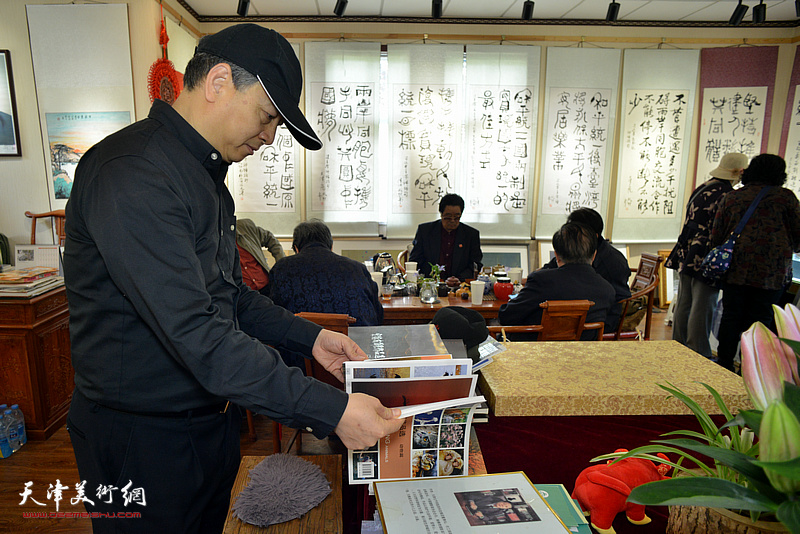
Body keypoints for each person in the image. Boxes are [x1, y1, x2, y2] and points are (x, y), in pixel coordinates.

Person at [62, 24, 402, 533]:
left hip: (205, 424)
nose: (268, 137)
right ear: (218, 81)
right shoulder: (134, 173)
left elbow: (231, 299)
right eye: (267, 117)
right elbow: (197, 331)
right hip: (142, 438)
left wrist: (312, 339)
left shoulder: (204, 179)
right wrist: (330, 409)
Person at [710, 153, 800, 372]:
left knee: (731, 317)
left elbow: (717, 236)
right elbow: (798, 237)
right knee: (760, 321)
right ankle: (752, 370)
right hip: (770, 275)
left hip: (735, 271)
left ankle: (724, 366)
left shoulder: (734, 197)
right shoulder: (785, 198)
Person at [666, 153, 748, 360]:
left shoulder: (703, 187)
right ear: (739, 172)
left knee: (685, 301)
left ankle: (678, 346)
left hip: (687, 248)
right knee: (703, 303)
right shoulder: (727, 194)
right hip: (707, 252)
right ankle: (698, 352)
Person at [498, 222, 617, 340]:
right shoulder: (607, 290)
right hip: (583, 355)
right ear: (594, 255)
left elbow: (507, 316)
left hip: (533, 354)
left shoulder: (542, 280)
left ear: (557, 255)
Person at [269, 219, 383, 326]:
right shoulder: (358, 268)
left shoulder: (281, 269)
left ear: (296, 248)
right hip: (357, 342)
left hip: (302, 344)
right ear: (331, 246)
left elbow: (272, 314)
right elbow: (378, 314)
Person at [541, 208, 630, 331]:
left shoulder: (613, 262)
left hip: (597, 324)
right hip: (570, 315)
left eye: (574, 230)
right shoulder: (575, 248)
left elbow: (617, 302)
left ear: (593, 236)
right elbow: (549, 268)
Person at [409, 193, 483, 281]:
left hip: (459, 284)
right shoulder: (425, 231)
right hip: (430, 283)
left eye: (456, 217)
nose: (452, 221)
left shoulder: (471, 234)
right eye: (448, 217)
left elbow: (475, 264)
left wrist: (459, 279)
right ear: (441, 214)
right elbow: (415, 260)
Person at [236, 217, 285, 295]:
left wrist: (282, 263)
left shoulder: (245, 227)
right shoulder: (217, 240)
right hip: (245, 294)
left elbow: (270, 239)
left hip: (267, 285)